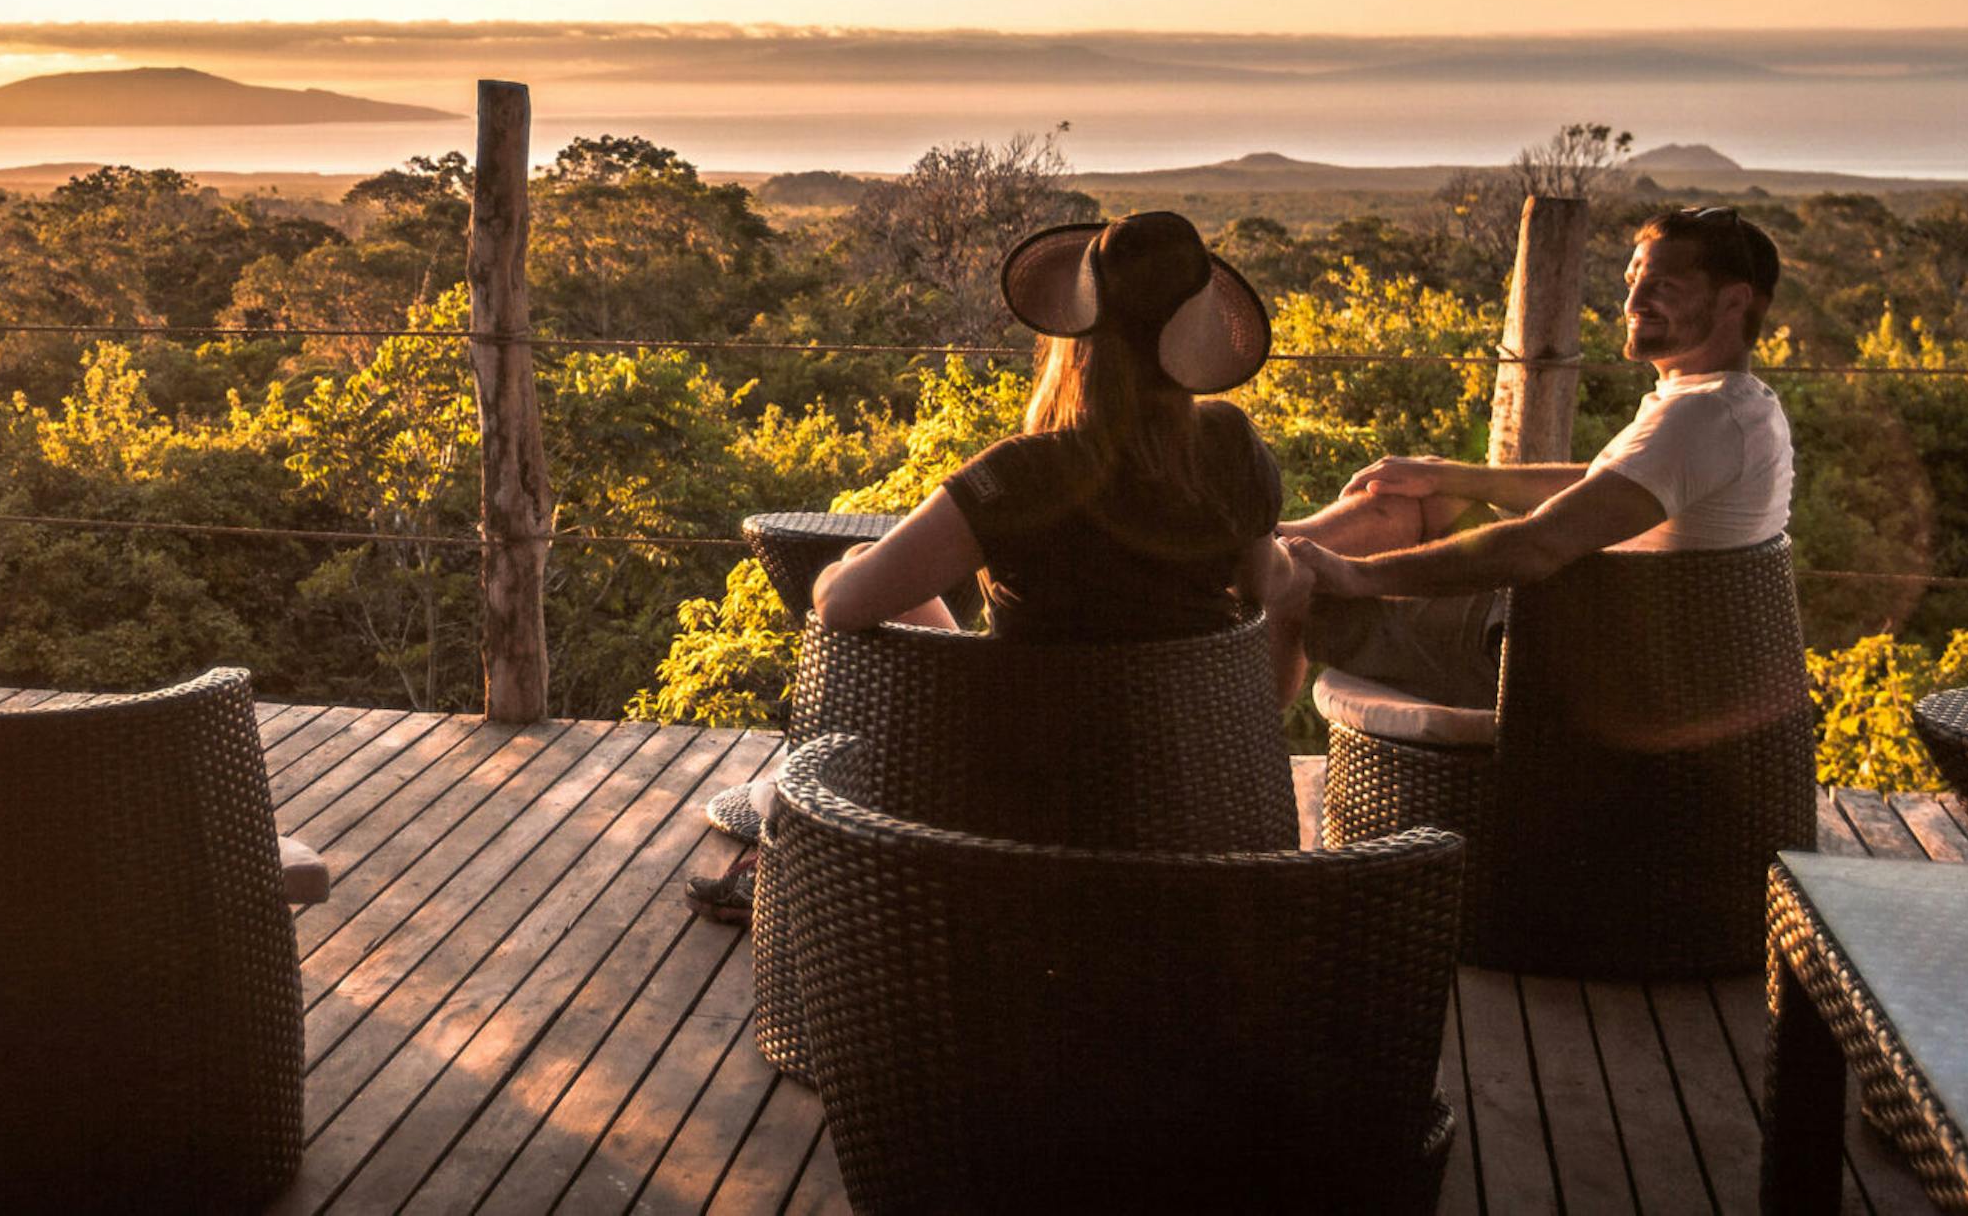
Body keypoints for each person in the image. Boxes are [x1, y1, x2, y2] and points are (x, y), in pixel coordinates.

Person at [689, 210, 1304, 922]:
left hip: (1018, 804)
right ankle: (783, 812)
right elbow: (1266, 591)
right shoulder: (1229, 446)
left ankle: (796, 837)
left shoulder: (1024, 475)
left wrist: (833, 572)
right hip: (1183, 791)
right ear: (1191, 340)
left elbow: (844, 606)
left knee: (863, 582)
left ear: (1080, 335)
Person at [1281, 205, 1793, 710]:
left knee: (1296, 596)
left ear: (1733, 302)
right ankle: (1275, 541)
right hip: (1575, 632)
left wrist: (1356, 576)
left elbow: (1538, 546)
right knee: (1421, 500)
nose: (1632, 302)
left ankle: (1240, 748)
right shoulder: (1730, 404)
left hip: (1550, 667)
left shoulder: (1703, 419)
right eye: (1633, 280)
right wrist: (1451, 475)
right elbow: (1604, 484)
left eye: (1664, 287)